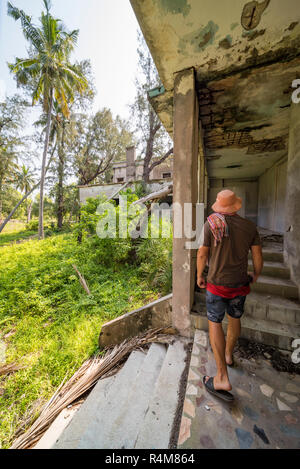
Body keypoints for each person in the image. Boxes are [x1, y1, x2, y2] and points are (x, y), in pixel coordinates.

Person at [197, 189, 263, 401]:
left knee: (215, 322)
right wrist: (256, 274)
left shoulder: (211, 224)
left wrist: (200, 275)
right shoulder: (249, 227)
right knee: (235, 319)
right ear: (236, 206)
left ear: (219, 206)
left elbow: (202, 254)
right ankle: (228, 355)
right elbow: (257, 257)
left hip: (217, 285)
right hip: (239, 285)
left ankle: (222, 377)